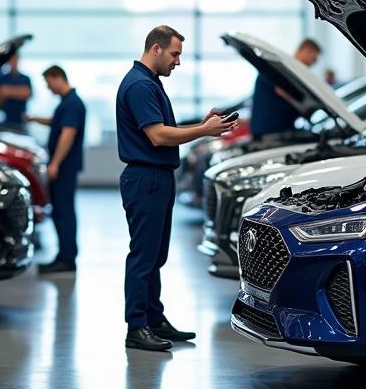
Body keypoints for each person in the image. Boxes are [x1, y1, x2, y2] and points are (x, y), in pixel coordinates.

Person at [116, 25, 236, 352]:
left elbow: (164, 128)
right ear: (155, 49)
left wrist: (203, 122)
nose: (177, 62)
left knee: (156, 254)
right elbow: (158, 135)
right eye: (174, 54)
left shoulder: (149, 83)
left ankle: (154, 318)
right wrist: (203, 130)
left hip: (156, 178)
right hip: (146, 179)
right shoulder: (140, 85)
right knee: (144, 256)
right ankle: (136, 326)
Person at [27, 65, 87, 275]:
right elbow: (57, 124)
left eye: (48, 83)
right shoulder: (69, 102)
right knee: (63, 210)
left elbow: (67, 134)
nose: (48, 88)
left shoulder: (71, 104)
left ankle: (66, 258)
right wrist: (34, 118)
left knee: (64, 211)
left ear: (57, 77)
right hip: (66, 166)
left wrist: (55, 163)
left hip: (64, 167)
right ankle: (65, 255)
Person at [249, 37, 321, 140]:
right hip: (270, 132)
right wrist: (309, 107)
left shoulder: (286, 70)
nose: (313, 64)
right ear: (305, 51)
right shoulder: (278, 69)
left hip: (275, 130)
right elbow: (285, 93)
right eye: (313, 59)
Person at [0, 52, 32, 127]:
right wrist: (20, 91)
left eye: (15, 59)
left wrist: (8, 92)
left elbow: (27, 94)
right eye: (12, 59)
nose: (13, 62)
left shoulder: (26, 79)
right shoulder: (2, 79)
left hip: (21, 118)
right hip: (5, 118)